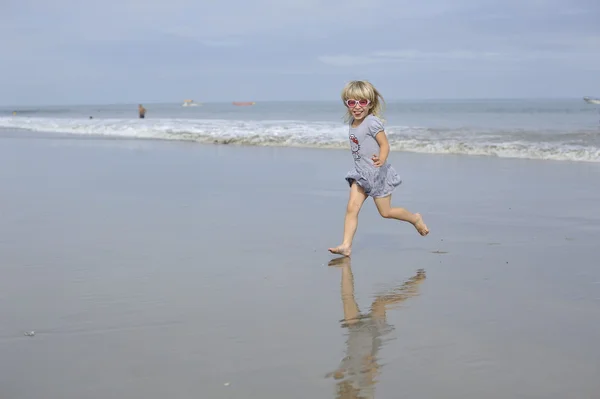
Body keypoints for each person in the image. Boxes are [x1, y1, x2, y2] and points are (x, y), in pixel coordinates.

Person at [328, 80, 429, 257]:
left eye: (362, 102)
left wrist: (381, 159)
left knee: (386, 212)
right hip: (360, 174)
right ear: (347, 104)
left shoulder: (372, 122)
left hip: (377, 174)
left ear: (370, 104)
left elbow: (385, 145)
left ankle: (415, 219)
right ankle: (346, 245)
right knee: (352, 207)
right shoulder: (352, 122)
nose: (357, 107)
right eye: (352, 102)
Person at [326, 257, 426, 398]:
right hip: (372, 334)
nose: (343, 394)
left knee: (348, 297)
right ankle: (411, 290)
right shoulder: (365, 390)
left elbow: (347, 363)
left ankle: (345, 268)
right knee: (380, 302)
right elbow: (373, 371)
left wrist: (338, 372)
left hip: (355, 332)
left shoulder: (347, 386)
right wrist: (372, 364)